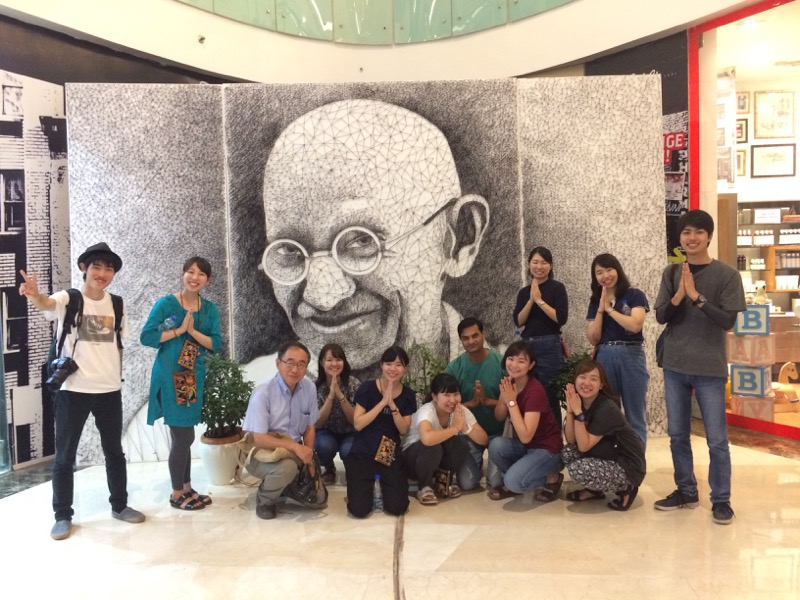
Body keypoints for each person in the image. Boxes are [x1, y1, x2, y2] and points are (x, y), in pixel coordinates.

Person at [246, 99, 491, 384]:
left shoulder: (502, 376)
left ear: (460, 240)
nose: (321, 297)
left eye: (362, 241)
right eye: (289, 251)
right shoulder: (253, 387)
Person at [18, 242, 145, 540]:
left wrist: (117, 377)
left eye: (108, 268)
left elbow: (118, 344)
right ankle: (63, 515)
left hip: (109, 390)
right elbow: (47, 304)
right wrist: (36, 295)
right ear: (84, 268)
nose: (102, 273)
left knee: (114, 452)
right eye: (97, 266)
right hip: (73, 390)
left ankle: (120, 505)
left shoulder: (117, 304)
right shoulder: (70, 298)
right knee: (65, 455)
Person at [654, 209, 745, 525]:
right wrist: (680, 295)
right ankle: (686, 491)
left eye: (698, 232)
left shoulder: (727, 275)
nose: (691, 238)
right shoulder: (671, 273)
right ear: (680, 238)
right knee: (678, 434)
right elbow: (661, 316)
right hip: (675, 364)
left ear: (709, 236)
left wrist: (697, 296)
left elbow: (728, 321)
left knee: (717, 440)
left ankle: (721, 500)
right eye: (686, 232)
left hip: (710, 367)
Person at [140, 257, 223, 511]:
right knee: (183, 434)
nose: (195, 278)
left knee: (184, 433)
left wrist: (192, 331)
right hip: (169, 373)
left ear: (207, 280)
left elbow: (215, 343)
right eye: (190, 272)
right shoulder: (166, 305)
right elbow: (148, 336)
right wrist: (178, 330)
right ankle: (177, 493)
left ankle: (187, 488)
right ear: (183, 274)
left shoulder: (209, 309)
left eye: (201, 274)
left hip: (190, 376)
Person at [241, 341, 326, 520]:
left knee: (318, 501)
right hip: (260, 452)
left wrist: (309, 457)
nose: (295, 369)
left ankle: (284, 487)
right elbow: (258, 438)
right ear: (278, 363)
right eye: (290, 363)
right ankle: (265, 500)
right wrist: (296, 447)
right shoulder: (263, 393)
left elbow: (310, 427)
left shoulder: (309, 388)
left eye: (301, 364)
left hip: (293, 451)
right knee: (287, 468)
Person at [562, 360, 646, 511]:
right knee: (568, 452)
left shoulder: (606, 408)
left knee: (579, 469)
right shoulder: (580, 402)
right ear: (575, 380)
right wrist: (570, 411)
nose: (587, 383)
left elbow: (584, 446)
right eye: (582, 377)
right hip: (607, 454)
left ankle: (626, 487)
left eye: (593, 379)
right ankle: (594, 490)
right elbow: (571, 440)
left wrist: (578, 413)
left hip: (628, 465)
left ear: (601, 385)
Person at [344, 346, 416, 518]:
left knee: (397, 507)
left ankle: (382, 487)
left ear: (405, 368)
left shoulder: (408, 395)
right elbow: (358, 424)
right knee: (359, 510)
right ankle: (365, 489)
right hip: (364, 448)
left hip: (388, 450)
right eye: (388, 363)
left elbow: (403, 429)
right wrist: (382, 403)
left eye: (398, 365)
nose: (393, 369)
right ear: (381, 365)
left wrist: (393, 406)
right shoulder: (367, 388)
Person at [586, 253, 650, 446]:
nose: (605, 275)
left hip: (631, 354)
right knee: (608, 412)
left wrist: (610, 310)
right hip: (605, 356)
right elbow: (593, 338)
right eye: (599, 272)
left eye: (609, 270)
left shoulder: (634, 295)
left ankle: (635, 460)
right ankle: (612, 460)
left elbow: (635, 325)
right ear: (595, 277)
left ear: (618, 270)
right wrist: (600, 309)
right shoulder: (595, 301)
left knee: (635, 414)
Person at [486, 341, 563, 502]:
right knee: (495, 445)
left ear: (531, 365)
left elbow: (526, 436)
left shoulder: (535, 391)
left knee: (512, 482)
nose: (514, 365)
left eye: (521, 361)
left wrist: (512, 402)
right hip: (527, 447)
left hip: (547, 450)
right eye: (511, 359)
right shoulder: (510, 383)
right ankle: (521, 475)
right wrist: (504, 398)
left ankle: (552, 477)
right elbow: (499, 417)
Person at [403, 373, 489, 505]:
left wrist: (465, 427)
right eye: (446, 395)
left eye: (456, 394)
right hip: (413, 462)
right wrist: (456, 428)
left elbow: (484, 439)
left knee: (460, 443)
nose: (452, 400)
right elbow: (427, 439)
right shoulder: (427, 411)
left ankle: (443, 483)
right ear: (434, 396)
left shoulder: (460, 410)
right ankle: (425, 487)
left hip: (435, 461)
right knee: (433, 445)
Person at [513, 246, 568, 428]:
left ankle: (554, 439)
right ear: (529, 264)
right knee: (527, 393)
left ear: (550, 266)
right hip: (527, 346)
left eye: (544, 262)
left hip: (550, 345)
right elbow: (519, 321)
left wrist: (539, 301)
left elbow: (560, 318)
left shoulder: (557, 288)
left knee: (550, 396)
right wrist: (531, 299)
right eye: (535, 262)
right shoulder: (524, 292)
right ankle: (530, 435)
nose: (539, 266)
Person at [444, 317, 503, 485]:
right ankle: (477, 464)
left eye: (475, 335)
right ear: (461, 340)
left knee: (496, 482)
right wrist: (471, 404)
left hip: (499, 434)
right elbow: (445, 406)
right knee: (466, 483)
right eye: (466, 338)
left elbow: (514, 402)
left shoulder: (501, 363)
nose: (471, 341)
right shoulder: (454, 368)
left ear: (484, 334)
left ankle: (495, 465)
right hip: (469, 434)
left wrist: (488, 401)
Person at [314, 343, 361, 486]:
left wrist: (340, 396)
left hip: (350, 432)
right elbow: (317, 423)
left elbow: (356, 421)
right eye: (329, 360)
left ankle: (351, 470)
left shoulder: (353, 384)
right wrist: (330, 397)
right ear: (322, 362)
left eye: (338, 359)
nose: (334, 364)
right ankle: (329, 468)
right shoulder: (316, 387)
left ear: (344, 362)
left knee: (349, 449)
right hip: (326, 431)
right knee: (324, 446)